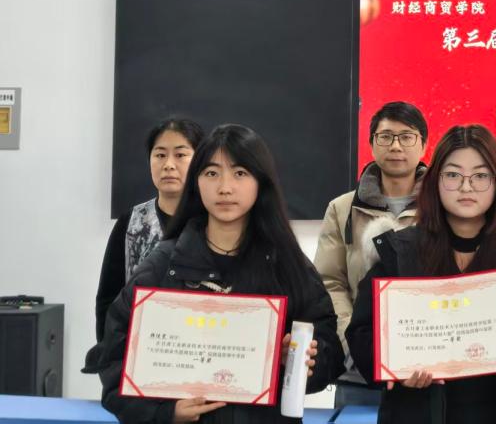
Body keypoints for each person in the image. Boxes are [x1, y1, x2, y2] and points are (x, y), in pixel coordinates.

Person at [94, 124, 343, 424]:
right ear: (196, 182)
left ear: (260, 182)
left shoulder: (289, 266)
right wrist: (165, 413)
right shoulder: (162, 265)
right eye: (212, 173)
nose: (225, 187)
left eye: (240, 173)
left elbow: (329, 352)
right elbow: (113, 362)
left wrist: (306, 361)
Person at [346, 124, 496, 424]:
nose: (466, 187)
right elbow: (361, 333)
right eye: (453, 175)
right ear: (435, 181)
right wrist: (392, 366)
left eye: (481, 176)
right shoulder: (400, 253)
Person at [314, 101, 429, 408]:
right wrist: (352, 341)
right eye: (386, 136)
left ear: (423, 145)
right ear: (371, 143)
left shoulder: (441, 209)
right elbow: (330, 282)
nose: (396, 146)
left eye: (407, 137)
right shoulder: (342, 209)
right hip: (358, 372)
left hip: (427, 368)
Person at [92, 118, 205, 344]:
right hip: (143, 347)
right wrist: (109, 354)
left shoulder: (212, 222)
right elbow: (108, 297)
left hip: (199, 345)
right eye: (160, 155)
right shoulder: (132, 221)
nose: (169, 164)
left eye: (180, 155)